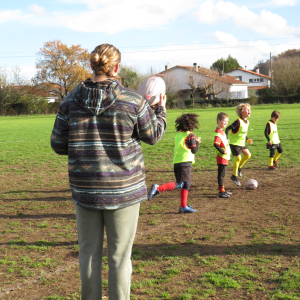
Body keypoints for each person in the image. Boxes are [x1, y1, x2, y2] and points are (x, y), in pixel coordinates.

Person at [50, 43, 167, 300]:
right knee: (119, 258)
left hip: (86, 191)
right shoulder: (133, 101)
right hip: (124, 192)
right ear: (116, 67)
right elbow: (153, 135)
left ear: (92, 66)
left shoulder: (68, 102)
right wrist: (160, 109)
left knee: (88, 256)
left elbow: (57, 145)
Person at [147, 113, 201, 213]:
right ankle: (158, 188)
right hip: (185, 163)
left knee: (186, 184)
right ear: (192, 124)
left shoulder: (178, 135)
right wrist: (197, 142)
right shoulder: (191, 135)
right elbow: (194, 150)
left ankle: (183, 206)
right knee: (180, 184)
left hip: (177, 163)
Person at [225, 103, 253, 186]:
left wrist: (247, 139)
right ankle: (234, 176)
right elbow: (228, 128)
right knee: (238, 158)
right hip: (234, 143)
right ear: (241, 112)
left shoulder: (247, 122)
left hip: (241, 143)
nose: (249, 111)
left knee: (248, 155)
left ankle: (239, 168)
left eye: (249, 109)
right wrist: (226, 139)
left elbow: (242, 132)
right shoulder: (238, 121)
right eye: (247, 110)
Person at [214, 112, 232, 198]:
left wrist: (226, 141)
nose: (226, 123)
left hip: (224, 158)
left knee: (223, 175)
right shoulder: (218, 133)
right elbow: (216, 144)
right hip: (221, 158)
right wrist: (222, 151)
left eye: (227, 121)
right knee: (221, 175)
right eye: (224, 121)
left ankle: (223, 190)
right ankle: (221, 191)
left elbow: (221, 142)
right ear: (218, 121)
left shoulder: (222, 132)